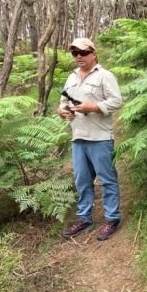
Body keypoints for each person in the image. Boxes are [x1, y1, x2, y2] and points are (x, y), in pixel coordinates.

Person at [58, 37, 123, 241]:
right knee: (82, 181)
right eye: (74, 53)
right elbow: (62, 102)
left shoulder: (105, 76)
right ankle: (84, 218)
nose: (79, 56)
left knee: (107, 179)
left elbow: (116, 101)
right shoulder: (71, 78)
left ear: (93, 54)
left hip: (100, 137)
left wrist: (93, 107)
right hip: (78, 137)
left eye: (83, 52)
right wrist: (63, 111)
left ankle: (112, 218)